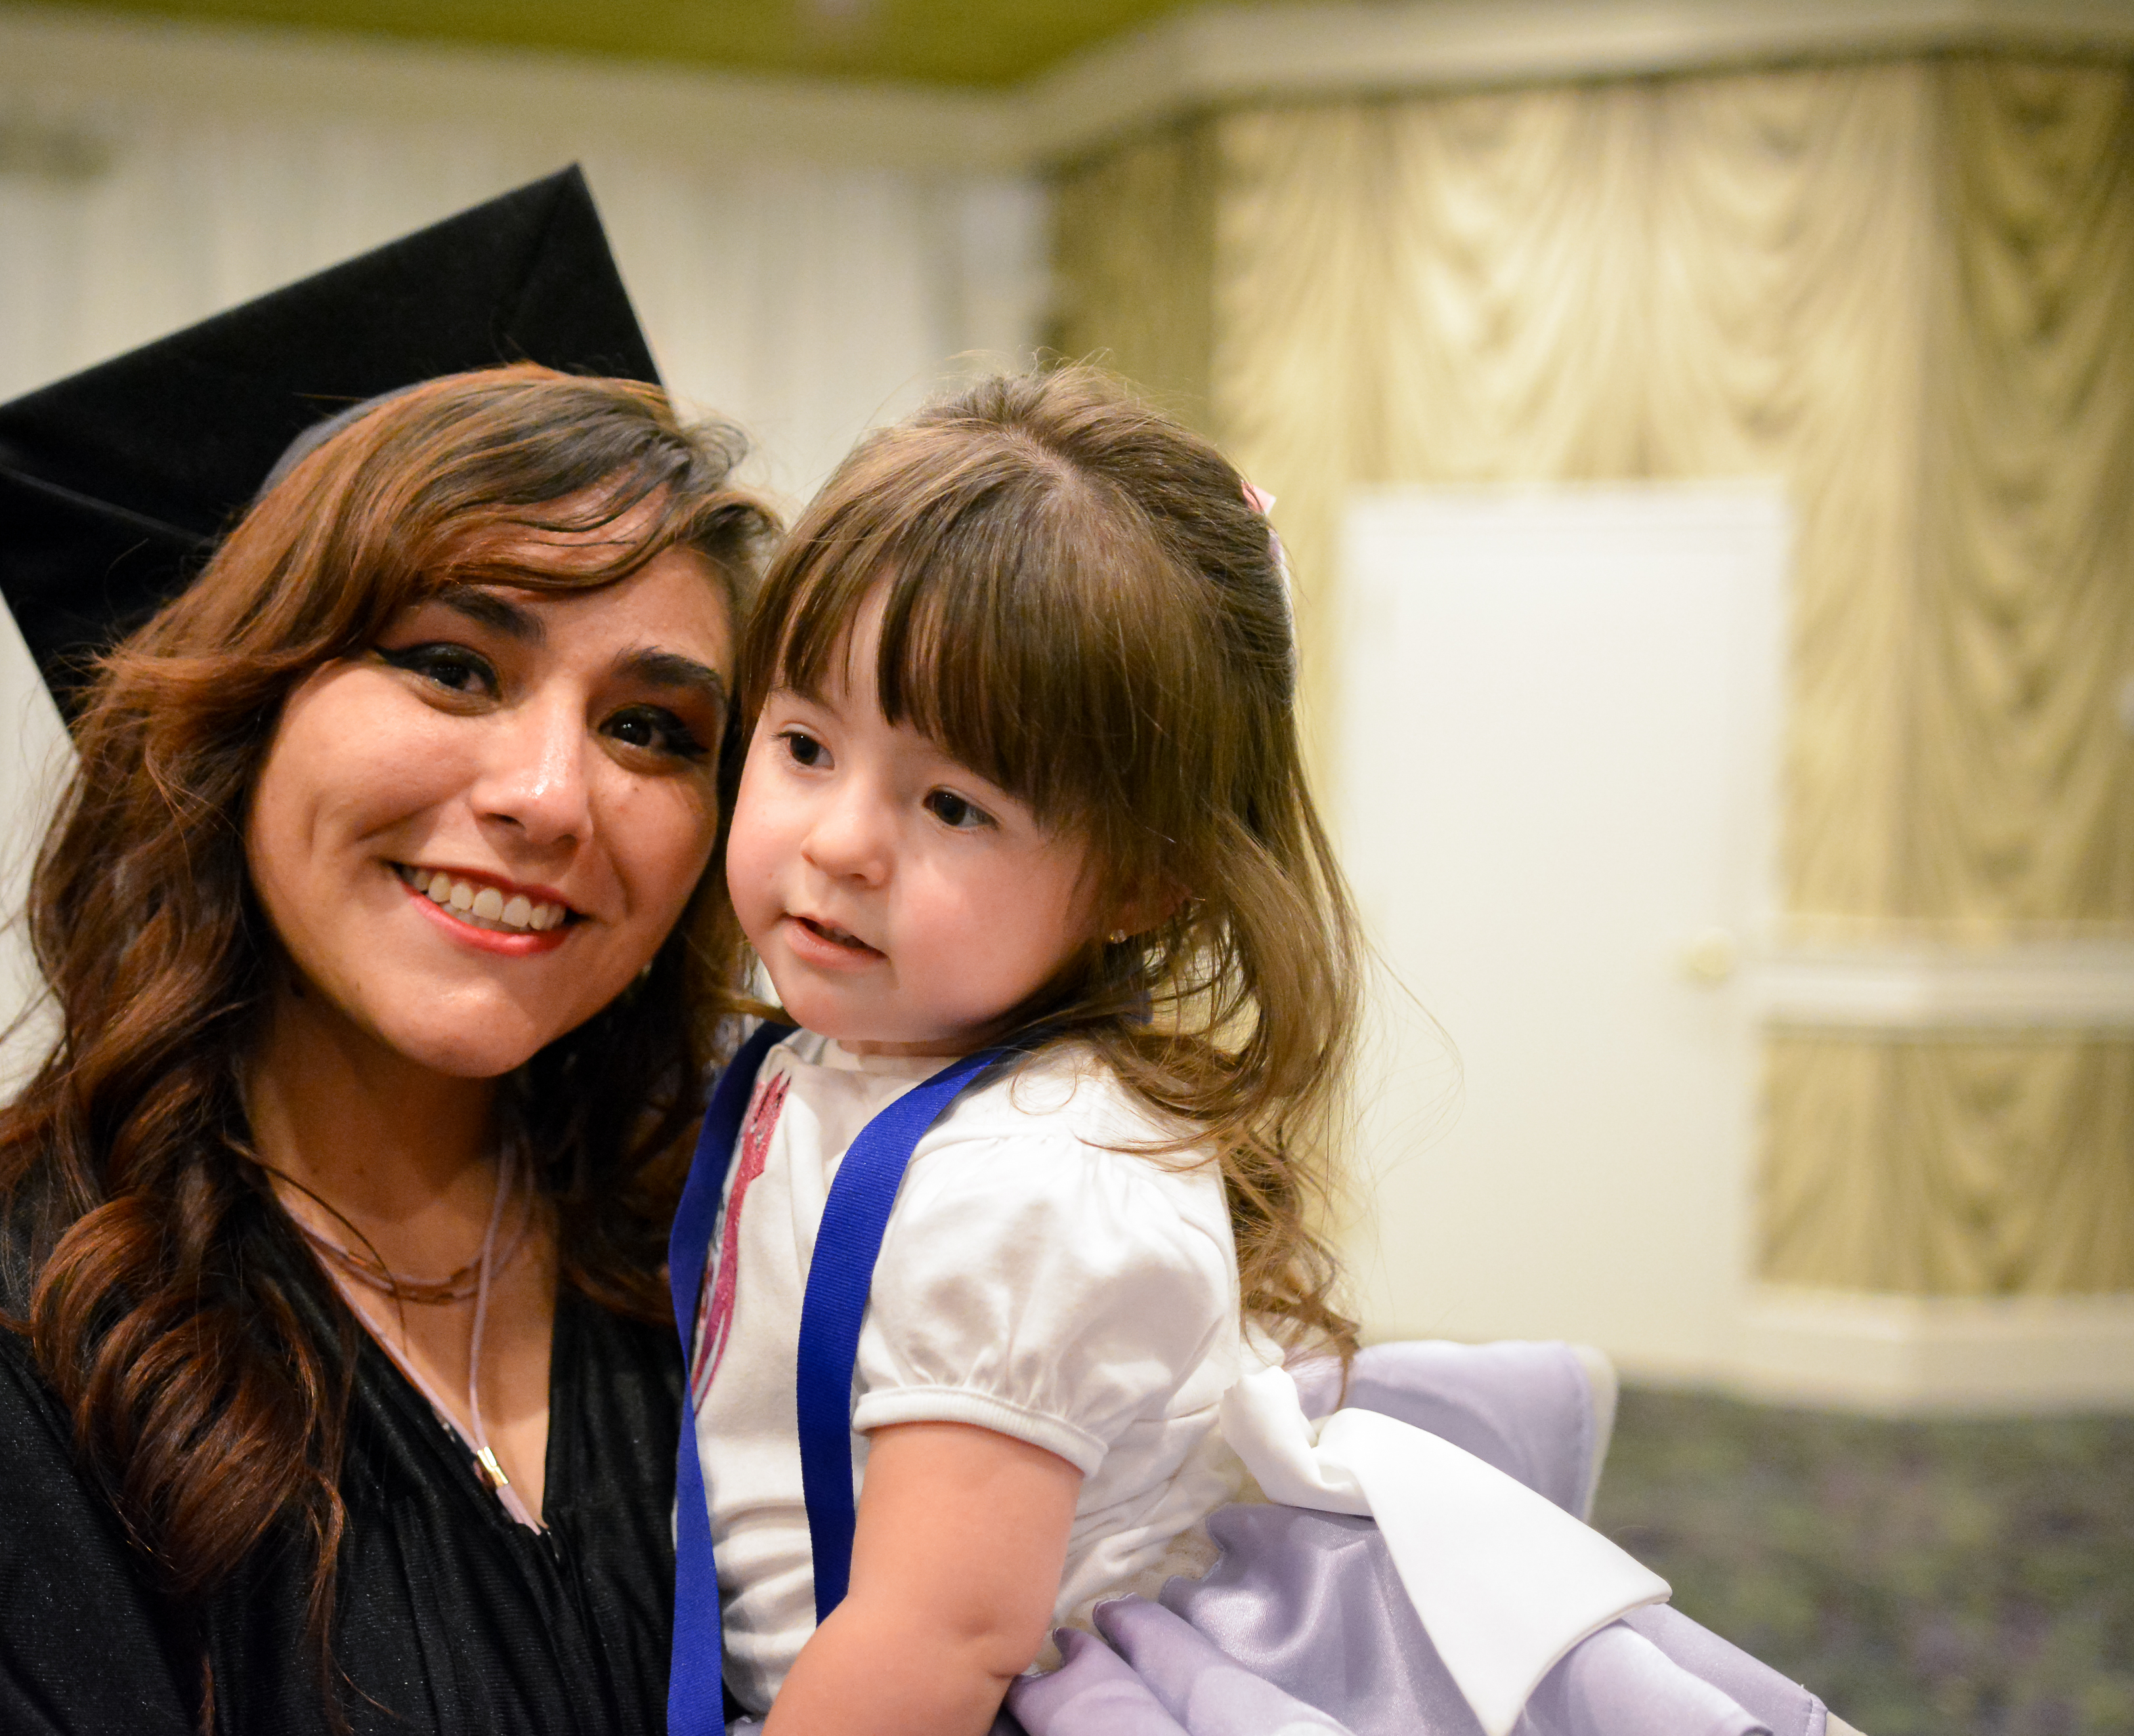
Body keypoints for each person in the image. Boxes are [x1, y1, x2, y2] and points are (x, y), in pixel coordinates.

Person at [0, 173, 778, 1734]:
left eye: (653, 728)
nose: (549, 797)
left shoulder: (735, 1288)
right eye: (451, 664)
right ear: (237, 724)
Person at [673, 366, 1850, 1736]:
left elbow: (938, 1639)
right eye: (805, 744)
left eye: (954, 803)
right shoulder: (834, 1057)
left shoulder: (1033, 1185)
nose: (839, 842)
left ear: (1145, 882)